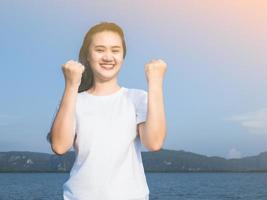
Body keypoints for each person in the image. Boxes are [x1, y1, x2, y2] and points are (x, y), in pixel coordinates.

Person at [47, 21, 167, 200]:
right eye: (100, 49)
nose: (108, 57)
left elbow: (154, 142)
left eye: (115, 50)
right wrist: (71, 85)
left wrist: (155, 83)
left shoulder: (137, 98)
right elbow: (60, 146)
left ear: (123, 56)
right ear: (88, 55)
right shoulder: (73, 100)